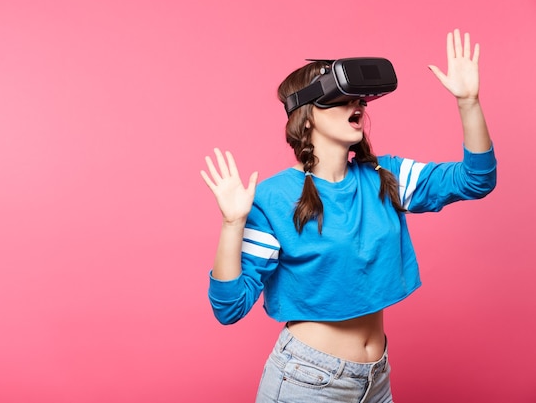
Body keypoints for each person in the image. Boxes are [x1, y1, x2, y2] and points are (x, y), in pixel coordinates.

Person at [200, 29, 496, 403]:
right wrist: (231, 225)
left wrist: (469, 102)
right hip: (305, 382)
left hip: (376, 379)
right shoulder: (275, 199)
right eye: (340, 99)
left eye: (359, 98)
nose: (356, 104)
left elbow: (476, 180)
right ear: (306, 118)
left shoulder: (385, 178)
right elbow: (229, 307)